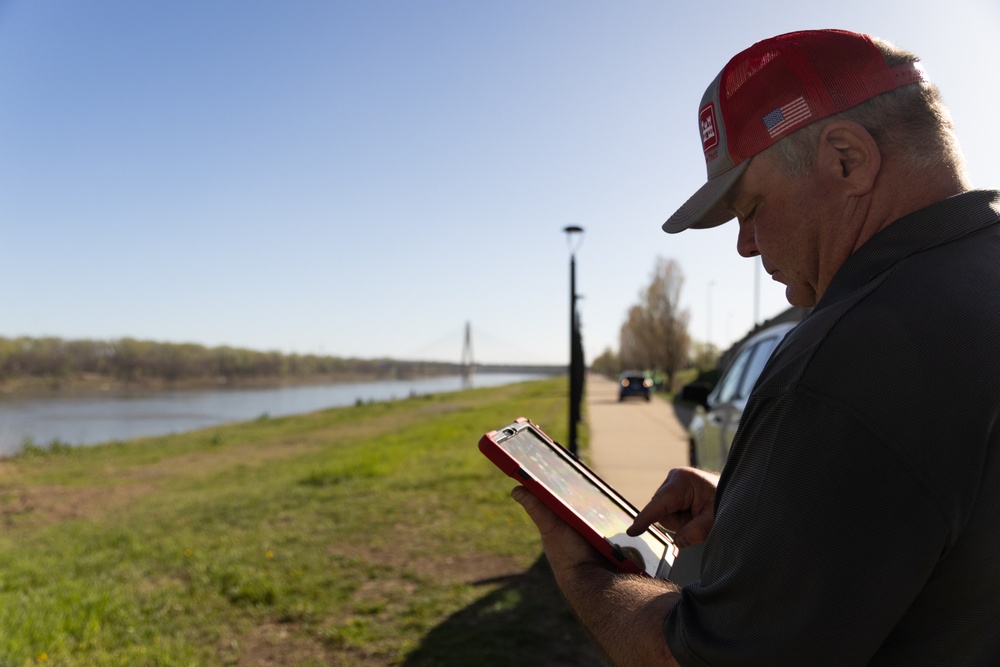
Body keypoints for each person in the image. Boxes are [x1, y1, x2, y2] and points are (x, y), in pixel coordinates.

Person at [512, 28, 1000, 666]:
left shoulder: (845, 362)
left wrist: (586, 572)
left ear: (847, 158)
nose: (744, 244)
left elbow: (703, 658)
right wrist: (766, 504)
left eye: (750, 207)